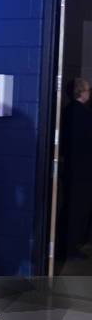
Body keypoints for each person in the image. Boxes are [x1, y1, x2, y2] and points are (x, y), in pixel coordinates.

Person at [61, 77, 92, 259]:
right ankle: (72, 247)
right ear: (82, 92)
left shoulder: (67, 112)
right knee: (78, 209)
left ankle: (67, 245)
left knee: (70, 206)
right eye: (87, 89)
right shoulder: (84, 115)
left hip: (71, 168)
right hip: (83, 171)